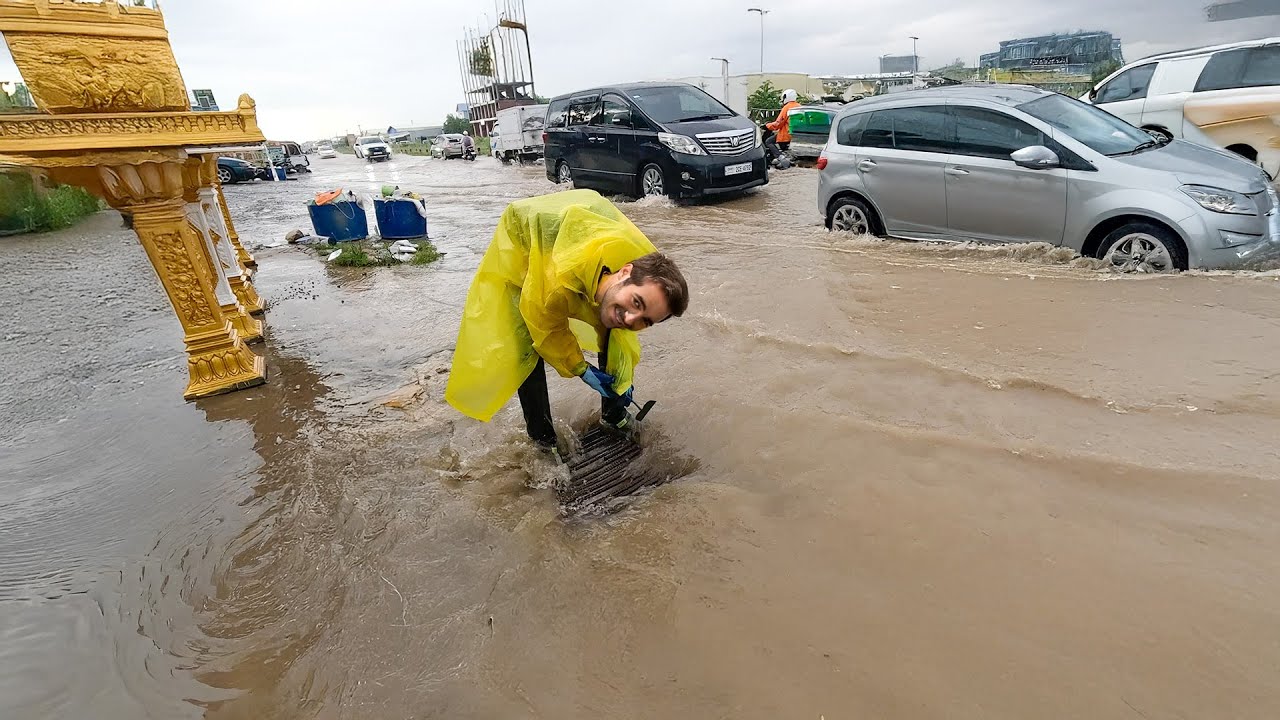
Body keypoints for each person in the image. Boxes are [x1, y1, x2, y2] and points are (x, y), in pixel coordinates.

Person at [445, 189, 689, 454]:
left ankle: (613, 414)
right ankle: (543, 440)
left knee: (614, 327)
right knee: (524, 345)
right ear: (625, 273)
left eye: (646, 320)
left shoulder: (646, 277)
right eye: (637, 303)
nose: (632, 317)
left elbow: (625, 335)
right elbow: (548, 331)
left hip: (587, 219)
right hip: (524, 236)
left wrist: (623, 379)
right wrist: (580, 368)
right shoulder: (552, 287)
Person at [764, 88, 801, 168]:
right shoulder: (799, 107)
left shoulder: (786, 108)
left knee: (768, 141)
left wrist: (767, 125)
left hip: (786, 135)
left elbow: (778, 124)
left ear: (786, 97)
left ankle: (780, 157)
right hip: (796, 135)